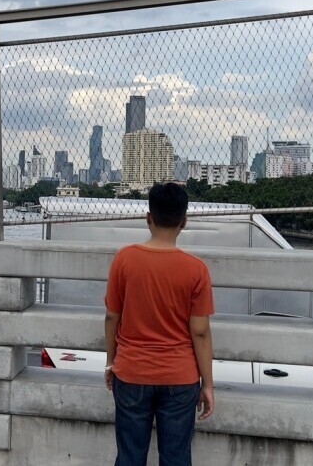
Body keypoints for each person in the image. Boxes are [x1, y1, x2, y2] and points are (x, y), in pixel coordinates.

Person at [104, 182, 215, 466]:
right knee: (176, 458)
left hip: (131, 372)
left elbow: (112, 317)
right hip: (180, 377)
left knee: (129, 456)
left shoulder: (124, 260)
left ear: (148, 218)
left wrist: (110, 362)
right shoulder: (196, 270)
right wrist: (208, 384)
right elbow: (200, 332)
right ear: (184, 222)